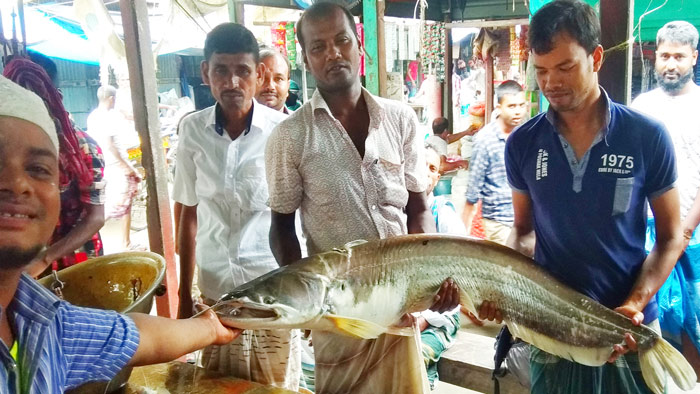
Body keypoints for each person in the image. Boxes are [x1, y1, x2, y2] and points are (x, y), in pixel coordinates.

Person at [481, 1, 683, 393]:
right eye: (540, 71)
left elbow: (671, 236)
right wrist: (499, 288)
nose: (551, 82)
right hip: (553, 329)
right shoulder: (523, 143)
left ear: (596, 57)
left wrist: (634, 304)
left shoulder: (645, 136)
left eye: (565, 67)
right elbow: (523, 233)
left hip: (630, 329)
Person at [0, 74, 238, 392]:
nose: (18, 183)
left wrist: (209, 328)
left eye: (38, 169)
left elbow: (132, 335)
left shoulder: (41, 317)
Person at [265, 3, 458, 393]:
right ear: (306, 58)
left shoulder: (400, 119)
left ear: (359, 46)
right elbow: (282, 229)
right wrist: (307, 304)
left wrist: (438, 277)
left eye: (341, 41)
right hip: (339, 320)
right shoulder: (290, 137)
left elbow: (419, 210)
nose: (333, 53)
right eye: (318, 47)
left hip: (400, 307)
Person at [172, 23, 300, 389]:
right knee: (216, 384)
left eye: (242, 71)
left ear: (258, 74)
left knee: (273, 385)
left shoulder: (283, 131)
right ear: (205, 73)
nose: (231, 82)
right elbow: (189, 213)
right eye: (221, 71)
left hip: (270, 290)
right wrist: (184, 295)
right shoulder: (191, 131)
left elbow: (295, 220)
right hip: (215, 290)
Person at [631, 20, 700, 378]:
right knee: (657, 317)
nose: (671, 64)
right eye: (664, 56)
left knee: (693, 321)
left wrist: (684, 231)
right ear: (655, 57)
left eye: (679, 56)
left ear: (694, 58)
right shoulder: (642, 106)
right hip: (647, 230)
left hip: (694, 236)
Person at [3, 58, 107, 276]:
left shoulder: (83, 148)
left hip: (76, 263)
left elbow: (95, 217)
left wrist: (45, 258)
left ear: (55, 98)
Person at [462, 80, 526, 243]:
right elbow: (473, 190)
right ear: (499, 108)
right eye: (511, 106)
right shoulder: (485, 139)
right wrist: (463, 235)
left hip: (525, 220)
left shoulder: (526, 135)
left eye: (521, 105)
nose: (518, 111)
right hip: (498, 223)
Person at [87, 85, 142, 251]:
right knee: (120, 204)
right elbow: (111, 145)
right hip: (116, 165)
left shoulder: (92, 117)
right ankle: (124, 243)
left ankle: (124, 241)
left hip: (103, 164)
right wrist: (126, 166)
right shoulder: (107, 117)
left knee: (120, 204)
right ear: (111, 99)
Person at [255, 48, 292, 114]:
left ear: (288, 86)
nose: (270, 86)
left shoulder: (302, 123)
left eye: (278, 79)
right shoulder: (234, 123)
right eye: (262, 78)